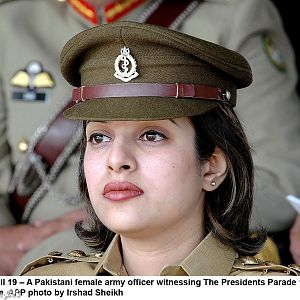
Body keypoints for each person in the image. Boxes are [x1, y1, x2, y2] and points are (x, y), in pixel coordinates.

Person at [1, 0, 300, 275]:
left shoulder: (234, 13)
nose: (117, 160)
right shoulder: (11, 21)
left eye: (152, 134)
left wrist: (116, 225)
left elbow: (281, 180)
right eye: (98, 138)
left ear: (212, 165)